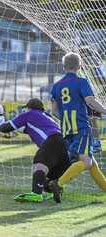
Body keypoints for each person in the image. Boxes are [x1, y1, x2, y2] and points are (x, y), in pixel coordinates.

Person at [0, 98, 70, 202]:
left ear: (29, 108)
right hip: (66, 146)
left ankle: (36, 194)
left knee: (39, 164)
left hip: (52, 140)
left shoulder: (28, 115)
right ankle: (56, 187)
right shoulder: (47, 116)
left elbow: (6, 128)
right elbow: (26, 129)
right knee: (45, 182)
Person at [50, 52, 106, 203]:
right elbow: (90, 101)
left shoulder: (56, 86)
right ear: (80, 65)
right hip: (81, 127)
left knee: (92, 164)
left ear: (64, 67)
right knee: (86, 162)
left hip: (67, 129)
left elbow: (54, 111)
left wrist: (67, 118)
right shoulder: (82, 82)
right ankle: (58, 183)